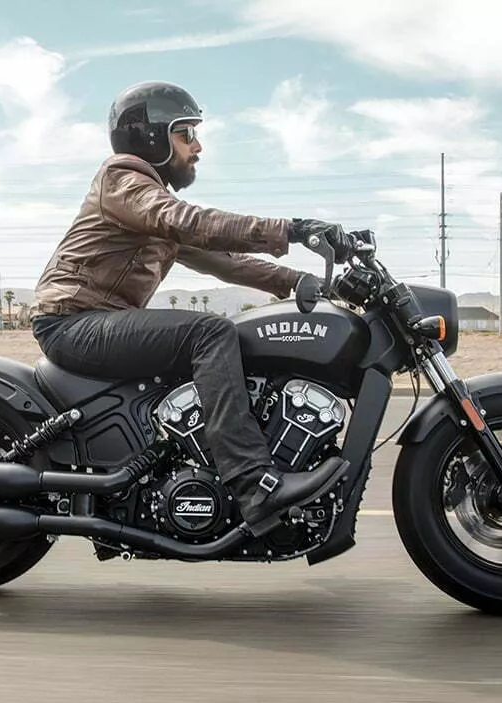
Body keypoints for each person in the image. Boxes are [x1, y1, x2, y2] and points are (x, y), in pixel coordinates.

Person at [31, 80, 355, 537]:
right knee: (211, 332)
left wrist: (307, 282)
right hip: (73, 322)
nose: (197, 147)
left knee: (223, 334)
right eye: (186, 134)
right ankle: (253, 482)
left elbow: (227, 263)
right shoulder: (123, 181)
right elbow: (192, 222)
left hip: (101, 321)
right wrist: (294, 229)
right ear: (151, 136)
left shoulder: (151, 206)